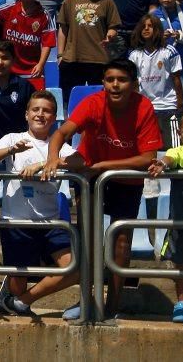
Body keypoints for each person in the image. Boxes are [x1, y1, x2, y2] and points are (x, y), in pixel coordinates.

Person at [45, 59, 163, 319]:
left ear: (134, 84)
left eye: (121, 80)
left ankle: (113, 304)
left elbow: (147, 157)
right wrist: (53, 157)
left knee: (121, 243)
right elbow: (61, 133)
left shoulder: (144, 107)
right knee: (88, 239)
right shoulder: (92, 103)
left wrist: (104, 166)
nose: (115, 85)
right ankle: (86, 300)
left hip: (125, 180)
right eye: (110, 79)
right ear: (103, 82)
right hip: (90, 176)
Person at [0, 91, 84, 316]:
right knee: (19, 279)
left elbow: (80, 161)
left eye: (47, 110)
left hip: (51, 222)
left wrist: (45, 163)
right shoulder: (13, 138)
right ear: (27, 114)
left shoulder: (58, 144)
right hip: (17, 222)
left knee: (74, 268)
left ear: (55, 116)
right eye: (36, 110)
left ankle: (22, 301)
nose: (41, 114)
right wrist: (11, 150)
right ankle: (13, 293)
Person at [148, 108, 183, 323]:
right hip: (181, 221)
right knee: (182, 264)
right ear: (180, 133)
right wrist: (161, 164)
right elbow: (169, 159)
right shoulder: (177, 151)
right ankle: (181, 304)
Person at [57, 0, 121, 104]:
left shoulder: (107, 1)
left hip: (98, 59)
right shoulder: (70, 0)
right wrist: (60, 55)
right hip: (72, 59)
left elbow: (113, 27)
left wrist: (110, 35)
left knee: (100, 101)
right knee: (69, 102)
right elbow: (63, 29)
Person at [128, 14, 183, 148]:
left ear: (158, 29)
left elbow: (176, 79)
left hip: (167, 106)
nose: (146, 29)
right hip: (145, 107)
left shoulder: (169, 52)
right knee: (148, 146)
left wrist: (180, 103)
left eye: (150, 26)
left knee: (172, 147)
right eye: (143, 27)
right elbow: (133, 83)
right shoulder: (135, 55)